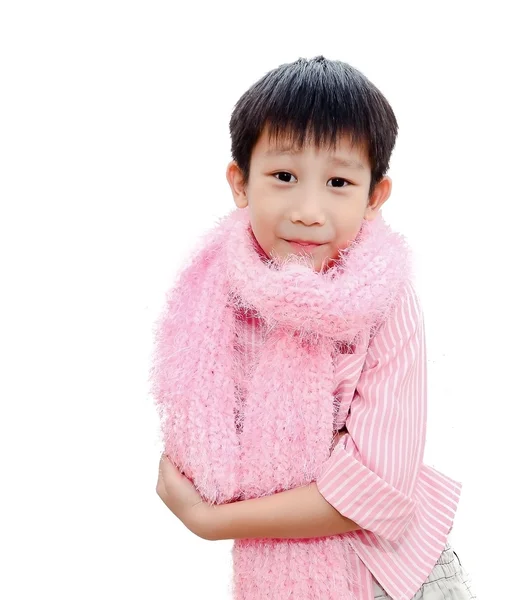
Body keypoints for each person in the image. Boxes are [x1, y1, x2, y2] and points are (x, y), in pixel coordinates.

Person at [154, 55, 476, 600]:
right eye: (283, 176)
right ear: (240, 182)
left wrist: (211, 520)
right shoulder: (208, 292)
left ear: (374, 197)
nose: (308, 209)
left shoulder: (385, 298)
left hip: (397, 579)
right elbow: (195, 457)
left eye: (338, 181)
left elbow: (376, 491)